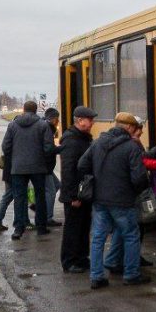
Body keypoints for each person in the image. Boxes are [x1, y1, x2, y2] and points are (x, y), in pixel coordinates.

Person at [78, 112, 150, 288]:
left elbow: (81, 165)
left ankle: (96, 277)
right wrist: (136, 191)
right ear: (129, 127)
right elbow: (139, 178)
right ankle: (131, 274)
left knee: (98, 238)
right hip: (123, 201)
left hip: (100, 200)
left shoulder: (97, 143)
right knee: (131, 236)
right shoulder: (131, 147)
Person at [105, 115, 156, 272]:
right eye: (138, 130)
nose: (141, 133)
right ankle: (127, 266)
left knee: (128, 229)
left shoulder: (118, 143)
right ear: (131, 128)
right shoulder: (131, 144)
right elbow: (140, 166)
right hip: (131, 194)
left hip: (122, 194)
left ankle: (120, 259)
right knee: (132, 230)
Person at [2, 101, 56, 239]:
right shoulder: (43, 125)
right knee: (40, 197)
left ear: (23, 110)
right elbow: (49, 148)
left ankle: (18, 229)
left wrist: (15, 157)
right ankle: (41, 227)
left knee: (19, 198)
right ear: (36, 110)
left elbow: (5, 147)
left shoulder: (13, 125)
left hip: (18, 167)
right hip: (38, 167)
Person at [58, 106, 97, 273]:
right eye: (90, 119)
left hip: (84, 191)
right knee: (73, 227)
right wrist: (73, 195)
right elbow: (68, 170)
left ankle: (81, 257)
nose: (93, 122)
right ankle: (69, 261)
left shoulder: (83, 138)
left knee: (83, 225)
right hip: (75, 194)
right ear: (80, 120)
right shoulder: (72, 140)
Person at [42, 107, 63, 227]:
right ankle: (48, 218)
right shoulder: (48, 128)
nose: (58, 121)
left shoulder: (45, 126)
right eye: (57, 119)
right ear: (54, 119)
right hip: (45, 166)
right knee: (50, 191)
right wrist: (60, 149)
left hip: (46, 166)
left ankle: (41, 207)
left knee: (57, 185)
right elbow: (48, 149)